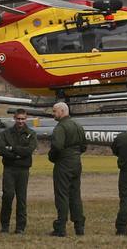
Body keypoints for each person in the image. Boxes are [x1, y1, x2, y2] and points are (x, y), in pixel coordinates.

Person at [48, 101, 87, 237]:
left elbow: (57, 146)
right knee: (75, 195)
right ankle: (79, 226)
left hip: (63, 164)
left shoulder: (60, 128)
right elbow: (84, 146)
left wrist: (52, 157)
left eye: (55, 111)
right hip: (76, 163)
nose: (53, 114)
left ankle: (60, 228)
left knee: (62, 195)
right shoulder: (78, 125)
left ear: (62, 111)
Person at [0, 108, 38, 234]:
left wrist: (13, 148)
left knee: (21, 198)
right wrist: (17, 154)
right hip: (9, 169)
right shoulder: (6, 133)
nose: (20, 121)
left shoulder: (31, 133)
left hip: (23, 170)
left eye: (23, 119)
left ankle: (20, 227)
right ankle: (5, 225)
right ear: (14, 118)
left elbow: (29, 150)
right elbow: (1, 150)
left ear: (26, 119)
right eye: (18, 118)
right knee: (7, 196)